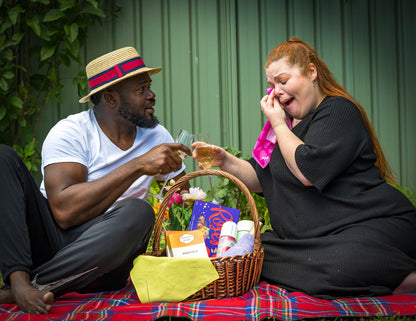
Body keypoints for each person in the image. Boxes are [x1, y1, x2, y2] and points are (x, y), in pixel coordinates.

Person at [192, 38, 416, 299]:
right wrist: (226, 161)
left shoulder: (338, 111)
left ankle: (404, 276)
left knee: (339, 263)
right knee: (260, 252)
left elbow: (306, 171)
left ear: (311, 72)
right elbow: (261, 176)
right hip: (313, 241)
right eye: (271, 85)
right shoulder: (284, 128)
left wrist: (279, 125)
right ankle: (385, 277)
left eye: (283, 81)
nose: (275, 92)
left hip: (370, 227)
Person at [0, 47, 191, 314]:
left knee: (139, 211)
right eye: (141, 90)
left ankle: (27, 288)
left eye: (149, 87)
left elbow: (184, 198)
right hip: (53, 241)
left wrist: (184, 186)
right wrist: (138, 165)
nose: (152, 95)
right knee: (3, 157)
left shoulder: (157, 136)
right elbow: (64, 214)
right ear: (111, 98)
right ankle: (19, 282)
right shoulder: (71, 132)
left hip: (106, 258)